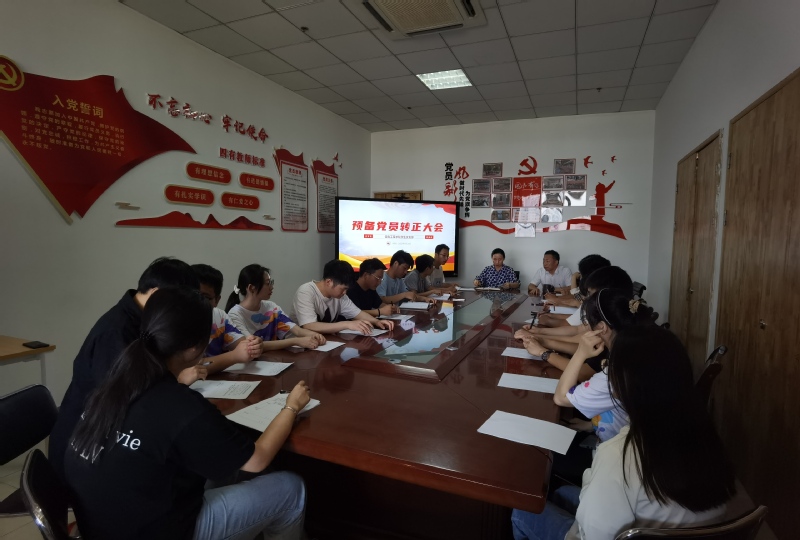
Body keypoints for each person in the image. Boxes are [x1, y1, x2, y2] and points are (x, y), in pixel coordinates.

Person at [65, 287, 308, 540]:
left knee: (221, 467)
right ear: (195, 348)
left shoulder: (114, 381)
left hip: (96, 522)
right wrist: (291, 407)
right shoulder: (181, 406)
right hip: (156, 530)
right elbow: (257, 459)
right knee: (291, 489)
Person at [511, 325, 735, 540]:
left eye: (610, 368)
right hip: (669, 529)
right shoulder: (707, 439)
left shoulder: (619, 454)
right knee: (561, 494)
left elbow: (591, 536)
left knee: (522, 511)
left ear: (621, 386)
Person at [50, 257, 199, 480]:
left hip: (106, 437)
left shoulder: (142, 320)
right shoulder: (116, 332)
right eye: (177, 304)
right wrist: (176, 381)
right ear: (156, 293)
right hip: (82, 450)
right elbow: (125, 399)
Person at [225, 264, 326, 350]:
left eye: (271, 282)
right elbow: (253, 346)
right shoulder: (234, 315)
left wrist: (313, 335)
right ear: (251, 288)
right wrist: (295, 341)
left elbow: (297, 330)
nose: (271, 287)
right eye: (267, 283)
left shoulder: (271, 307)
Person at [192, 264, 262, 374]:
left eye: (205, 297)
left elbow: (244, 346)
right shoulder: (175, 321)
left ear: (217, 300)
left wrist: (254, 346)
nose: (197, 301)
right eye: (193, 294)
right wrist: (234, 356)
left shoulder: (220, 317)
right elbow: (190, 369)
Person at [293, 259, 395, 335]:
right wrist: (346, 324)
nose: (345, 293)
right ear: (329, 282)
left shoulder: (340, 296)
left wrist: (377, 322)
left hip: (325, 342)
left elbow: (357, 313)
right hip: (298, 347)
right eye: (343, 289)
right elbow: (309, 325)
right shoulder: (306, 292)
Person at [541, 254, 610, 308]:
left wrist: (574, 277)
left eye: (547, 261)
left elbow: (576, 298)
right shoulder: (593, 288)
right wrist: (557, 299)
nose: (581, 278)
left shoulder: (601, 294)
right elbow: (577, 297)